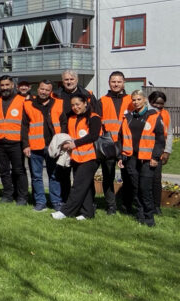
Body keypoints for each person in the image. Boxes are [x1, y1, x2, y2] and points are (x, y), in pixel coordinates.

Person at [118, 90, 165, 226]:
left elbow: (160, 139)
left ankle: (149, 217)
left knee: (145, 188)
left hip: (147, 158)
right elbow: (121, 138)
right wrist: (121, 156)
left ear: (144, 100)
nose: (136, 102)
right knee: (135, 187)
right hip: (131, 158)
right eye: (133, 100)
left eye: (139, 99)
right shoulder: (128, 117)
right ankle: (140, 216)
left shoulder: (154, 116)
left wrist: (155, 157)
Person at [52, 93, 102, 220]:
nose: (75, 107)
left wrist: (75, 144)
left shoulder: (94, 117)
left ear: (85, 103)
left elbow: (93, 135)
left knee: (78, 185)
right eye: (73, 105)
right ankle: (87, 212)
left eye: (78, 104)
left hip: (90, 157)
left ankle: (66, 212)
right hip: (76, 157)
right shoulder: (71, 118)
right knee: (86, 186)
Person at [21, 80, 65, 212]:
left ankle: (56, 202)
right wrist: (25, 145)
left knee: (54, 175)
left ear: (51, 91)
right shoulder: (28, 104)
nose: (44, 92)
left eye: (47, 90)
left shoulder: (58, 103)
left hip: (53, 146)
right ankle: (40, 202)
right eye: (42, 89)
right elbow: (24, 126)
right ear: (37, 89)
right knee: (36, 176)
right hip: (35, 146)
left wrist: (62, 142)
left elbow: (64, 124)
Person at [98, 71, 132, 214]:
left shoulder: (131, 100)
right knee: (108, 177)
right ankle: (111, 206)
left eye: (119, 81)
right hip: (109, 145)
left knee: (128, 177)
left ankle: (127, 205)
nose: (116, 84)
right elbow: (97, 122)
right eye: (113, 81)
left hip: (126, 144)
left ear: (124, 83)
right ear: (109, 83)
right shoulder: (102, 100)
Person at [0, 75, 28, 205]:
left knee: (19, 171)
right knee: (4, 171)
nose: (4, 87)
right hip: (0, 142)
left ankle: (22, 197)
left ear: (13, 85)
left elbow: (26, 124)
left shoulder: (22, 101)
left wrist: (25, 143)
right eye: (2, 85)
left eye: (7, 85)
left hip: (16, 142)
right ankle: (8, 195)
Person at [148, 91, 172, 215]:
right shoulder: (146, 113)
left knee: (156, 180)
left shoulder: (166, 114)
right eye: (156, 103)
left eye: (161, 104)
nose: (159, 106)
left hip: (159, 152)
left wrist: (167, 151)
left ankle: (156, 206)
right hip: (146, 152)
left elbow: (169, 133)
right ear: (150, 102)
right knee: (145, 180)